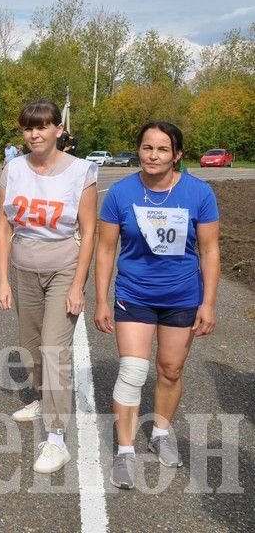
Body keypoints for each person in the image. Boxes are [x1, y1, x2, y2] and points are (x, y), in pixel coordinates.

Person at [94, 122, 219, 490]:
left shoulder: (199, 193)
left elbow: (210, 250)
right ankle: (126, 450)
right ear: (139, 151)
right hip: (134, 293)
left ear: (177, 154)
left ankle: (161, 432)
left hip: (182, 296)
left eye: (163, 149)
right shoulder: (120, 193)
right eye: (147, 148)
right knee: (133, 371)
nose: (153, 155)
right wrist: (100, 299)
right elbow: (105, 250)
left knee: (171, 369)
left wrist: (208, 303)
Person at [0, 100, 98, 474]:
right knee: (31, 347)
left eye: (42, 127)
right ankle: (42, 398)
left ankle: (56, 437)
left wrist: (78, 285)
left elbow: (88, 233)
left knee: (55, 349)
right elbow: (4, 227)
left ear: (58, 130)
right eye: (27, 128)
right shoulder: (13, 169)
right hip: (23, 268)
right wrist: (3, 279)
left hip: (62, 269)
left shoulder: (81, 172)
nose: (34, 134)